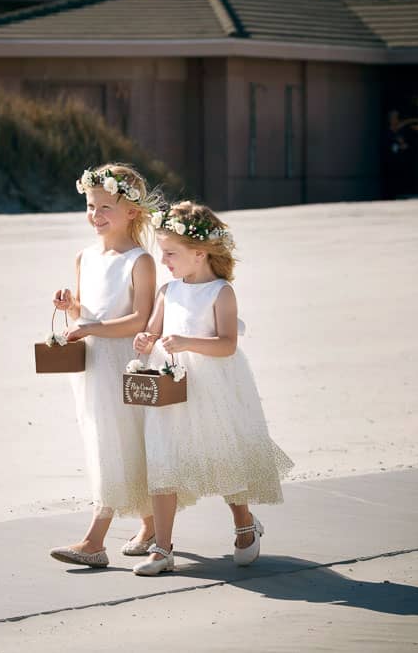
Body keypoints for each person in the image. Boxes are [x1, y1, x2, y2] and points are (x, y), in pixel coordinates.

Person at [130, 201, 293, 576]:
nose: (165, 261)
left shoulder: (221, 292)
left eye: (171, 253)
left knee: (224, 455)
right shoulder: (168, 291)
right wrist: (144, 340)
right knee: (163, 457)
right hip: (172, 386)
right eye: (162, 253)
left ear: (200, 253)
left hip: (213, 386)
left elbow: (226, 344)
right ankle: (162, 547)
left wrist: (187, 342)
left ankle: (244, 524)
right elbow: (153, 331)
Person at [47, 163, 160, 569]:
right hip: (91, 364)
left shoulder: (140, 261)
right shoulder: (85, 257)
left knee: (115, 442)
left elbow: (140, 320)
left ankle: (94, 540)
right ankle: (149, 525)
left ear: (131, 211)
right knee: (110, 441)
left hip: (123, 363)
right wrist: (70, 307)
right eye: (91, 206)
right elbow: (84, 308)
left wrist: (92, 324)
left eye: (105, 207)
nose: (96, 215)